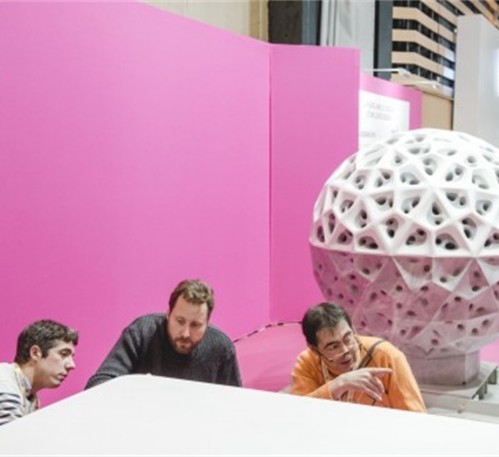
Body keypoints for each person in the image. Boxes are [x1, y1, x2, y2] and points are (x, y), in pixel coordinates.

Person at [86, 279, 241, 389]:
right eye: (180, 321)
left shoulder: (221, 348)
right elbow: (98, 384)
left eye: (196, 325)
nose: (186, 333)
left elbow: (236, 405)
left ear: (207, 322)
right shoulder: (141, 333)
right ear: (168, 314)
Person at [290, 302, 426, 412]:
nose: (346, 350)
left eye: (348, 339)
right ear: (314, 349)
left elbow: (416, 418)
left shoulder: (387, 356)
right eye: (333, 347)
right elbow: (298, 414)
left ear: (354, 330)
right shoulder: (307, 362)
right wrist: (338, 385)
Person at [0, 320, 78, 426]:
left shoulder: (30, 397)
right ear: (35, 353)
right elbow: (11, 435)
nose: (71, 365)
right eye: (63, 354)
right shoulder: (5, 383)